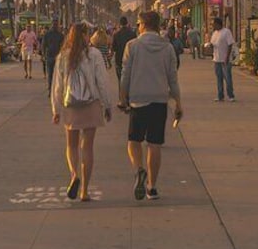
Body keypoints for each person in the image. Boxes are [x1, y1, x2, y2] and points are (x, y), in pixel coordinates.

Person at [119, 11, 182, 201]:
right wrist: (178, 102)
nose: (137, 27)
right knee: (154, 144)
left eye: (138, 24)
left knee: (134, 141)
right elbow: (173, 78)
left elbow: (125, 75)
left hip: (138, 100)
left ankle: (139, 170)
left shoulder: (133, 46)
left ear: (144, 25)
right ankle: (152, 187)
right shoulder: (168, 47)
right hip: (160, 101)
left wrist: (122, 97)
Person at [51, 22, 112, 202]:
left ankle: (74, 175)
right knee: (88, 147)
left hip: (71, 105)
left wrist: (56, 109)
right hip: (91, 104)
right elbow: (102, 82)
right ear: (86, 36)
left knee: (71, 145)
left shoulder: (63, 56)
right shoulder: (94, 55)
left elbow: (57, 85)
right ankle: (84, 190)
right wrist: (107, 105)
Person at [209, 17, 236, 102]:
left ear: (218, 24)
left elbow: (230, 44)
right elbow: (213, 43)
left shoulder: (226, 32)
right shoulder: (214, 33)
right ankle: (220, 95)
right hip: (216, 59)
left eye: (214, 24)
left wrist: (227, 57)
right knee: (219, 78)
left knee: (227, 77)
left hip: (225, 59)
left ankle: (231, 95)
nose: (213, 25)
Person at [110, 16, 136, 83]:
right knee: (130, 81)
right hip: (130, 60)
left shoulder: (116, 34)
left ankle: (121, 92)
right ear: (127, 23)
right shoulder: (132, 34)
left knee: (120, 81)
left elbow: (114, 48)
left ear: (120, 24)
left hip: (119, 60)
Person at [42, 18, 65, 92]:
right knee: (52, 74)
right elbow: (43, 45)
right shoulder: (48, 34)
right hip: (50, 56)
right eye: (54, 23)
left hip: (56, 56)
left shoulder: (60, 35)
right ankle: (51, 89)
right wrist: (43, 55)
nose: (55, 25)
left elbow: (63, 46)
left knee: (53, 74)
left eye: (56, 23)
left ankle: (52, 89)